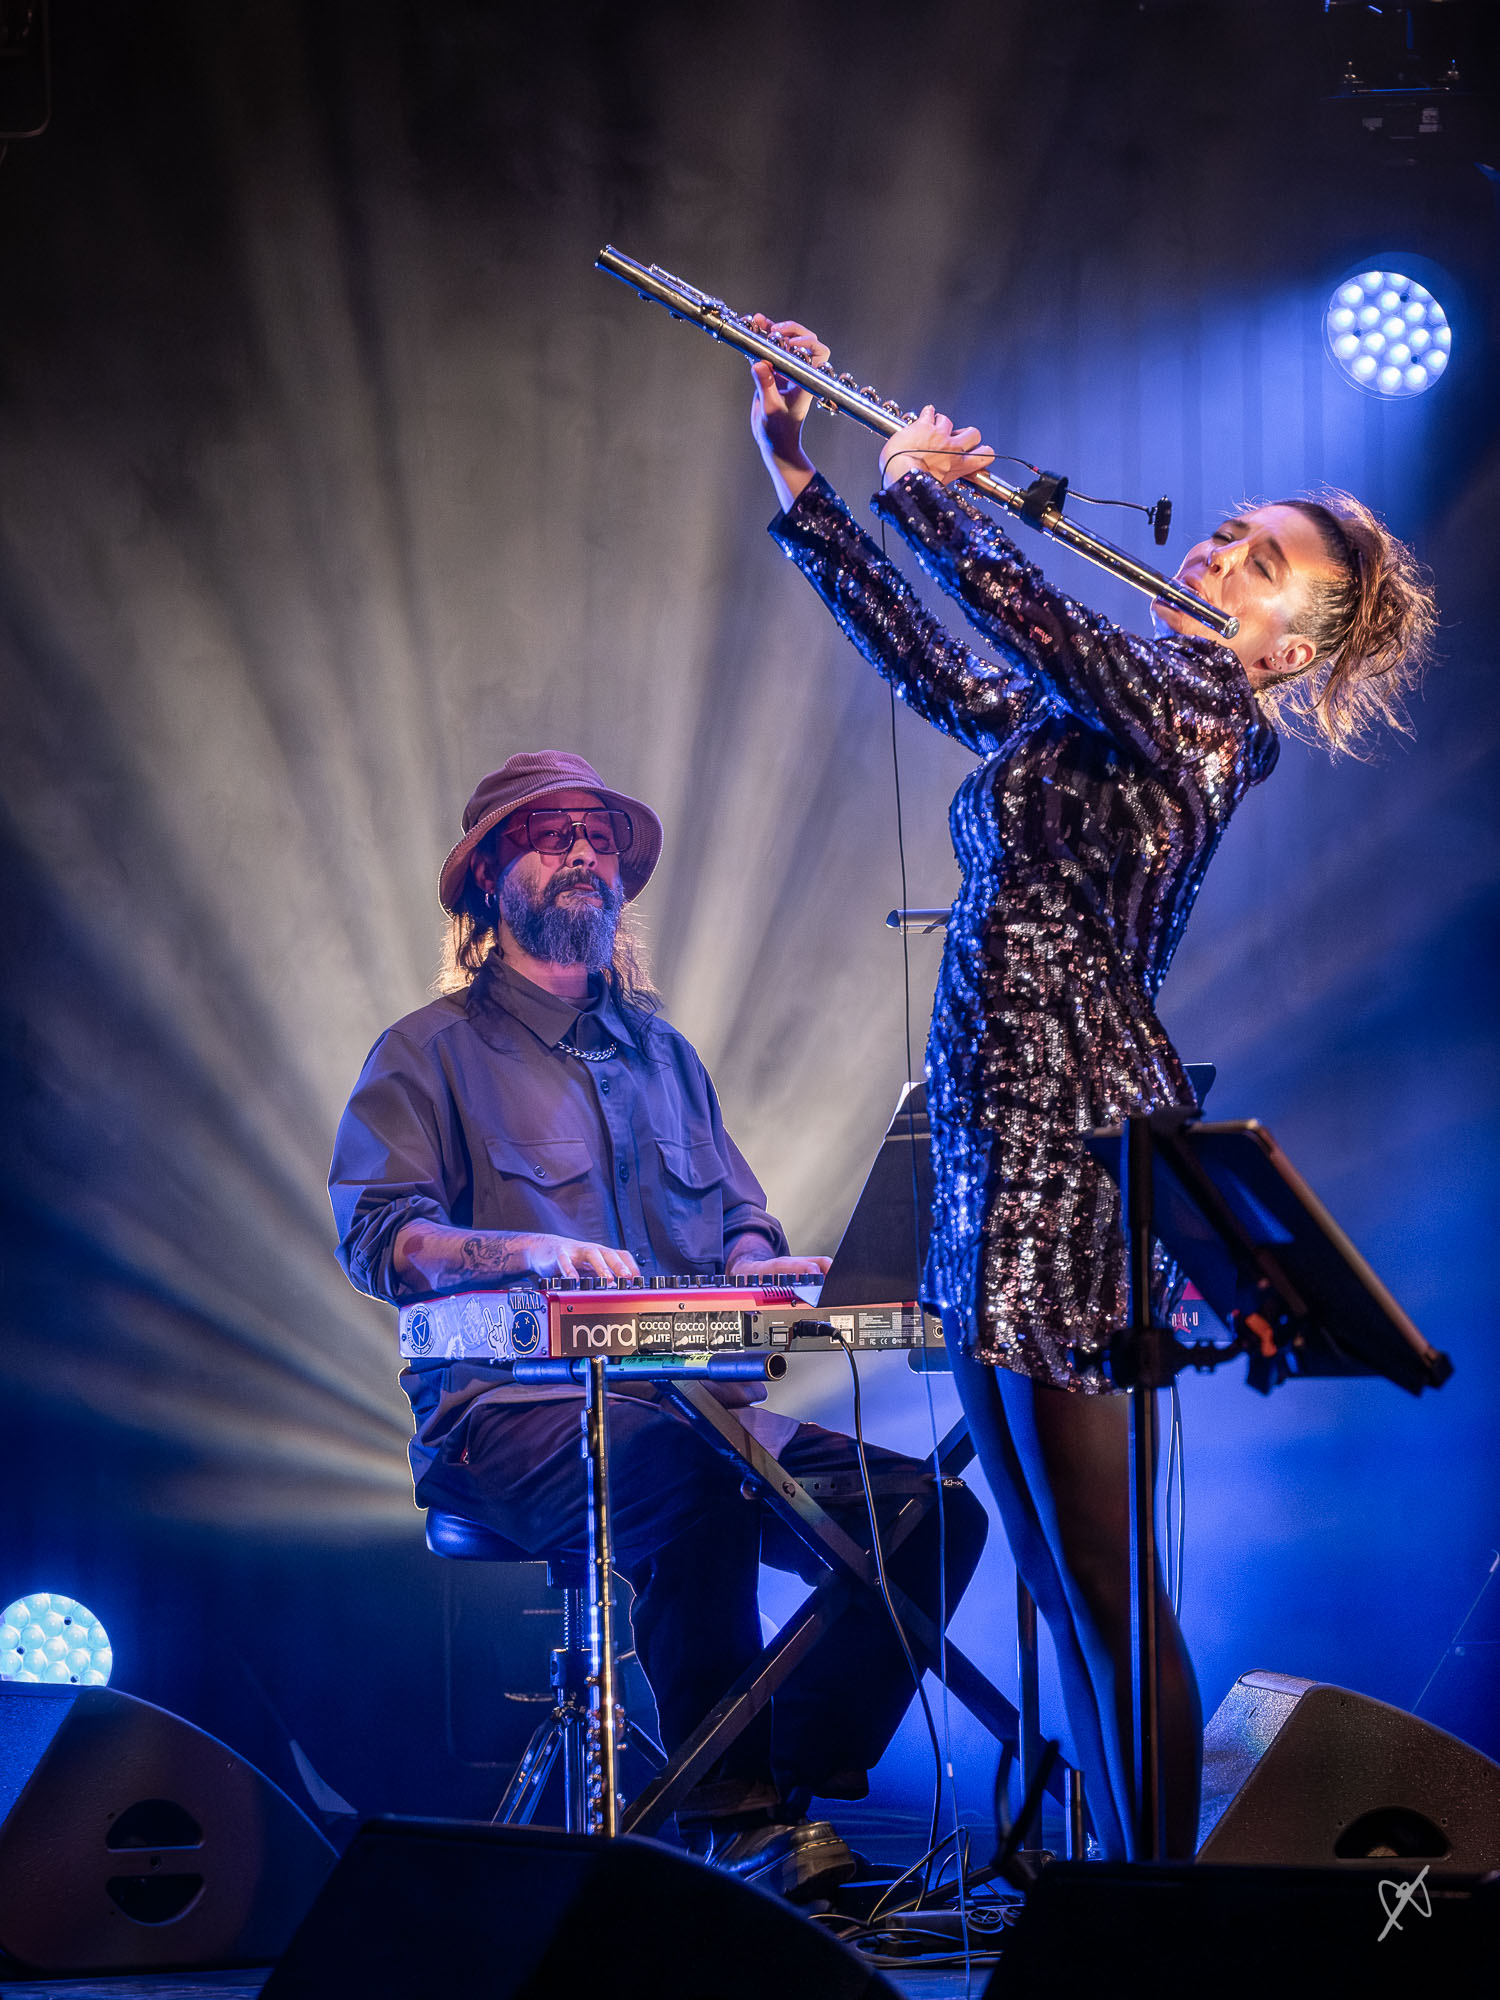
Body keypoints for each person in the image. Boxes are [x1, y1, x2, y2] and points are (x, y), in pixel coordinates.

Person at [745, 320, 1436, 1858]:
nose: (1216, 554)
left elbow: (1050, 630)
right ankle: (1127, 1906)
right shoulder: (1113, 706)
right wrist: (798, 473)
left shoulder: (1206, 713)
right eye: (1228, 534)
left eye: (1260, 562)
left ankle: (1160, 1921)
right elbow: (948, 670)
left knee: (1109, 1588)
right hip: (989, 1144)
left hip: (1074, 1142)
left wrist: (929, 495)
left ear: (1291, 649)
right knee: (1061, 1588)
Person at [329, 748, 987, 1898]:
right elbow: (382, 1235)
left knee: (931, 1513)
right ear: (488, 876)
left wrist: (761, 1262)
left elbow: (739, 1218)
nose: (583, 851)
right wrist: (525, 1251)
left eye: (598, 835)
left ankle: (775, 1782)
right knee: (693, 1481)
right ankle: (733, 1816)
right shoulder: (426, 1051)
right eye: (550, 835)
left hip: (695, 1411)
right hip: (510, 1423)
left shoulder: (665, 1056)